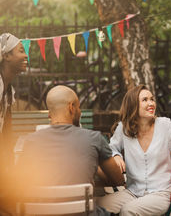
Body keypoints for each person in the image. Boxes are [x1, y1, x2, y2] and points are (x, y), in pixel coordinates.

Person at [9, 85, 125, 215]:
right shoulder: (94, 139)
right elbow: (118, 180)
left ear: (49, 114)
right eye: (79, 107)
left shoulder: (30, 142)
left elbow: (18, 186)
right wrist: (95, 163)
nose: (80, 111)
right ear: (71, 107)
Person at [97, 85, 171, 216]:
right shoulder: (123, 128)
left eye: (152, 99)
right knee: (96, 206)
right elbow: (110, 149)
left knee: (128, 210)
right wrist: (116, 155)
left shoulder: (165, 125)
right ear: (133, 105)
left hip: (162, 194)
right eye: (145, 100)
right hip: (133, 192)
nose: (151, 103)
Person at [0, 33, 28, 166]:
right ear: (6, 56)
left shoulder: (8, 91)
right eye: (21, 51)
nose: (26, 55)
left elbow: (6, 131)